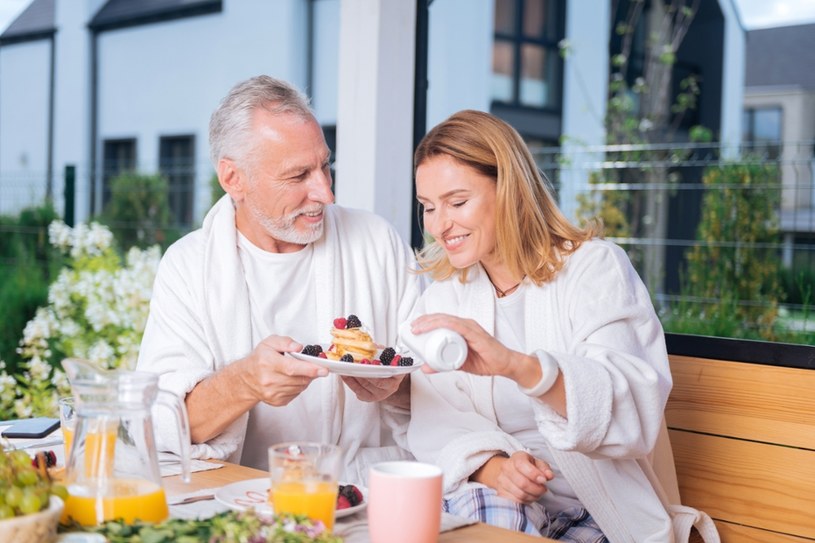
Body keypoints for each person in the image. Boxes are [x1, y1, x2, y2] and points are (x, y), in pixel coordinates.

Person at [404, 110, 719, 542]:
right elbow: (436, 420)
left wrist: (519, 367)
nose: (439, 225)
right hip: (499, 499)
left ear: (509, 190)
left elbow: (634, 410)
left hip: (599, 511)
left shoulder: (595, 270)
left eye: (457, 203)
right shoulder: (445, 296)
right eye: (428, 207)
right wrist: (495, 468)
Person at [136, 75, 423, 483]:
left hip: (362, 487)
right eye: (298, 175)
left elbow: (445, 392)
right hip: (240, 493)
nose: (325, 193)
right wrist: (245, 382)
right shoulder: (188, 267)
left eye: (325, 166)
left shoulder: (377, 242)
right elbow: (160, 424)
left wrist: (395, 386)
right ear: (233, 179)